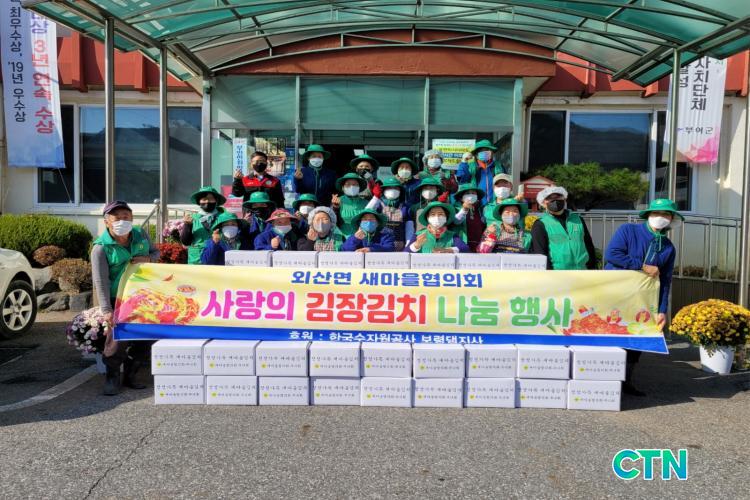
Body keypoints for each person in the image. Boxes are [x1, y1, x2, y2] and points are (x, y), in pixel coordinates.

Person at [604, 198, 681, 396]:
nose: (660, 217)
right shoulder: (628, 230)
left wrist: (662, 310)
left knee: (635, 339)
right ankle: (605, 379)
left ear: (672, 219)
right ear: (648, 215)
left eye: (665, 214)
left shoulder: (668, 247)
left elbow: (665, 280)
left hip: (642, 300)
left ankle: (626, 381)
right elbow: (612, 254)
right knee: (610, 334)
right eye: (656, 213)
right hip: (615, 294)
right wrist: (642, 266)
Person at [91, 200, 159, 396]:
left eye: (126, 216)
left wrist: (148, 259)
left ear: (132, 218)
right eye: (117, 217)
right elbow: (100, 281)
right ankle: (112, 376)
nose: (122, 220)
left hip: (144, 296)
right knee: (117, 340)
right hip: (118, 299)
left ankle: (132, 373)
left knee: (145, 337)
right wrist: (106, 310)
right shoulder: (100, 248)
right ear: (107, 222)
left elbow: (156, 252)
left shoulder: (140, 234)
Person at [531, 186, 597, 270]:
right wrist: (549, 273)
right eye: (550, 198)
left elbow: (588, 245)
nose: (555, 200)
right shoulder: (540, 224)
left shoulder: (578, 220)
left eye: (558, 196)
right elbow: (540, 252)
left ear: (564, 199)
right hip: (558, 273)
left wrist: (592, 267)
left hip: (582, 271)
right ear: (543, 203)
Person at [180, 186, 226, 265]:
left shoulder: (224, 217)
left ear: (216, 200)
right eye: (204, 199)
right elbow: (186, 242)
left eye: (211, 198)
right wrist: (187, 226)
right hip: (196, 260)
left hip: (218, 259)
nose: (207, 201)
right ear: (199, 201)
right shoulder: (192, 218)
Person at [405, 201, 469, 254]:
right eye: (433, 214)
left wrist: (448, 250)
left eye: (440, 214)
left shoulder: (452, 235)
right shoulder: (419, 235)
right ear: (428, 218)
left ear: (446, 217)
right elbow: (405, 253)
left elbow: (465, 249)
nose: (437, 217)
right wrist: (416, 245)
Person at [456, 139, 505, 205]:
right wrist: (464, 162)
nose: (485, 152)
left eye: (487, 150)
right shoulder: (470, 167)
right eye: (481, 151)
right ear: (476, 154)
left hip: (495, 204)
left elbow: (505, 184)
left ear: (492, 152)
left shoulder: (499, 166)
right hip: (476, 204)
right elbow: (462, 180)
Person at [331, 173, 378, 237]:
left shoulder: (366, 203)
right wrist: (335, 208)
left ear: (359, 187)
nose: (351, 187)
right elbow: (331, 222)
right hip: (342, 238)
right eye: (348, 184)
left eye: (355, 184)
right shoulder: (337, 201)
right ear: (343, 187)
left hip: (362, 237)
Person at [371, 178, 410, 251]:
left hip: (400, 244)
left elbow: (409, 227)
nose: (393, 190)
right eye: (389, 188)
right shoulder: (378, 204)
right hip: (381, 243)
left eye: (396, 188)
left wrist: (408, 243)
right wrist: (375, 197)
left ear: (400, 191)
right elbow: (365, 215)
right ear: (384, 190)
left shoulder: (405, 207)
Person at [452, 182, 486, 252]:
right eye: (467, 193)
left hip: (479, 246)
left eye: (473, 193)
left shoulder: (480, 209)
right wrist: (464, 209)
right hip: (464, 245)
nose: (471, 195)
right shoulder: (455, 208)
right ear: (461, 198)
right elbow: (456, 221)